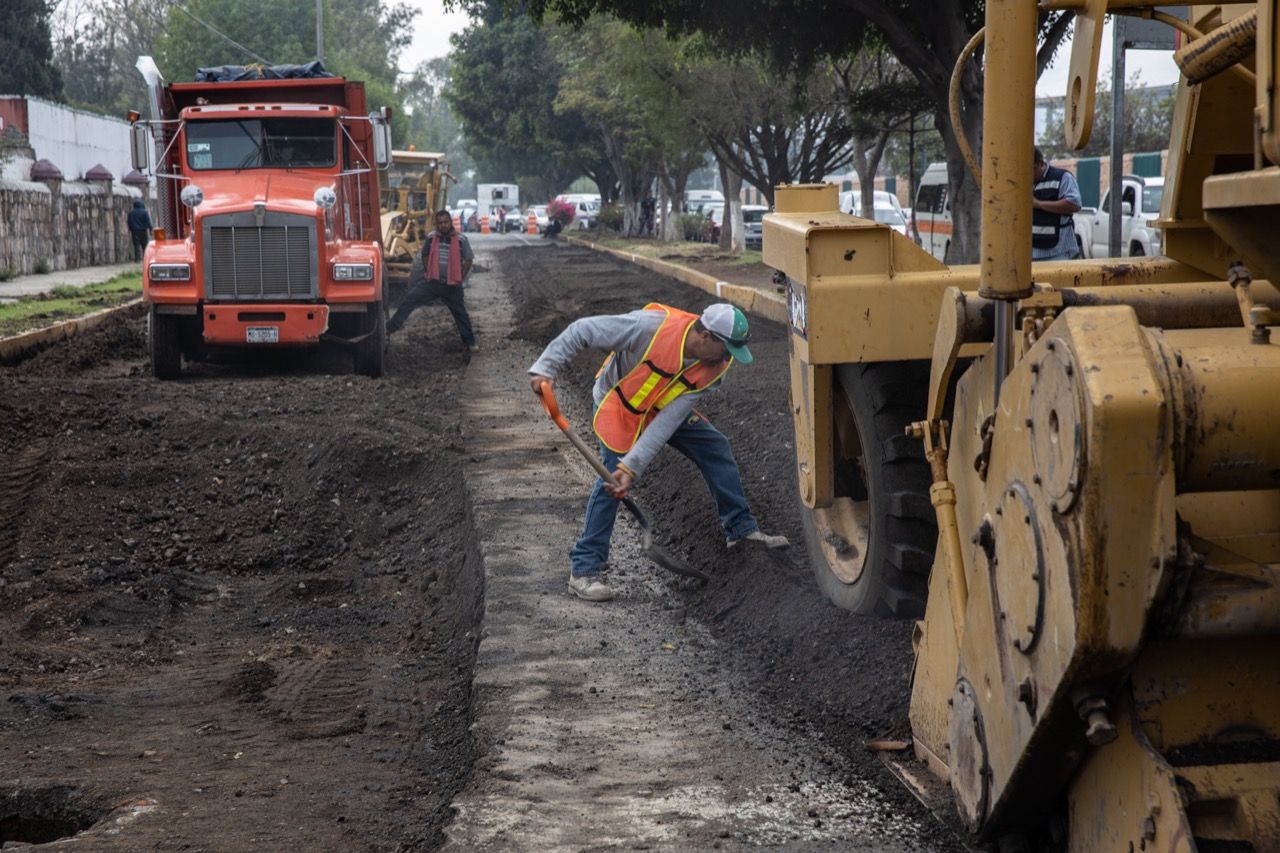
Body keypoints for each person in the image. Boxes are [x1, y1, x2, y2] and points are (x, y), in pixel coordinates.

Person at [528, 302, 790, 602]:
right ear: (705, 337)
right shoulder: (647, 328)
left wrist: (634, 466)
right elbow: (582, 330)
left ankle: (741, 530)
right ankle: (584, 569)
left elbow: (667, 421)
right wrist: (544, 368)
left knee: (715, 447)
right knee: (612, 480)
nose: (728, 358)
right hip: (620, 406)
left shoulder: (716, 367)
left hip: (661, 408)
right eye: (726, 349)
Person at [387, 209, 477, 351]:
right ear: (436, 224)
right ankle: (389, 329)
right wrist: (428, 270)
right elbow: (425, 254)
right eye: (440, 223)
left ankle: (470, 343)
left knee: (461, 314)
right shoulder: (431, 237)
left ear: (450, 222)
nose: (443, 225)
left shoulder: (461, 239)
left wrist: (460, 275)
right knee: (410, 299)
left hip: (452, 285)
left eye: (445, 222)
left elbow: (469, 259)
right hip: (432, 282)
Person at [1031, 148, 1082, 261]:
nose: (1027, 174)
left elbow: (1074, 204)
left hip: (1059, 254)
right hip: (1030, 255)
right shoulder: (1021, 181)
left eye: (1031, 169)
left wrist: (1039, 204)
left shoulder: (1062, 178)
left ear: (1040, 163)